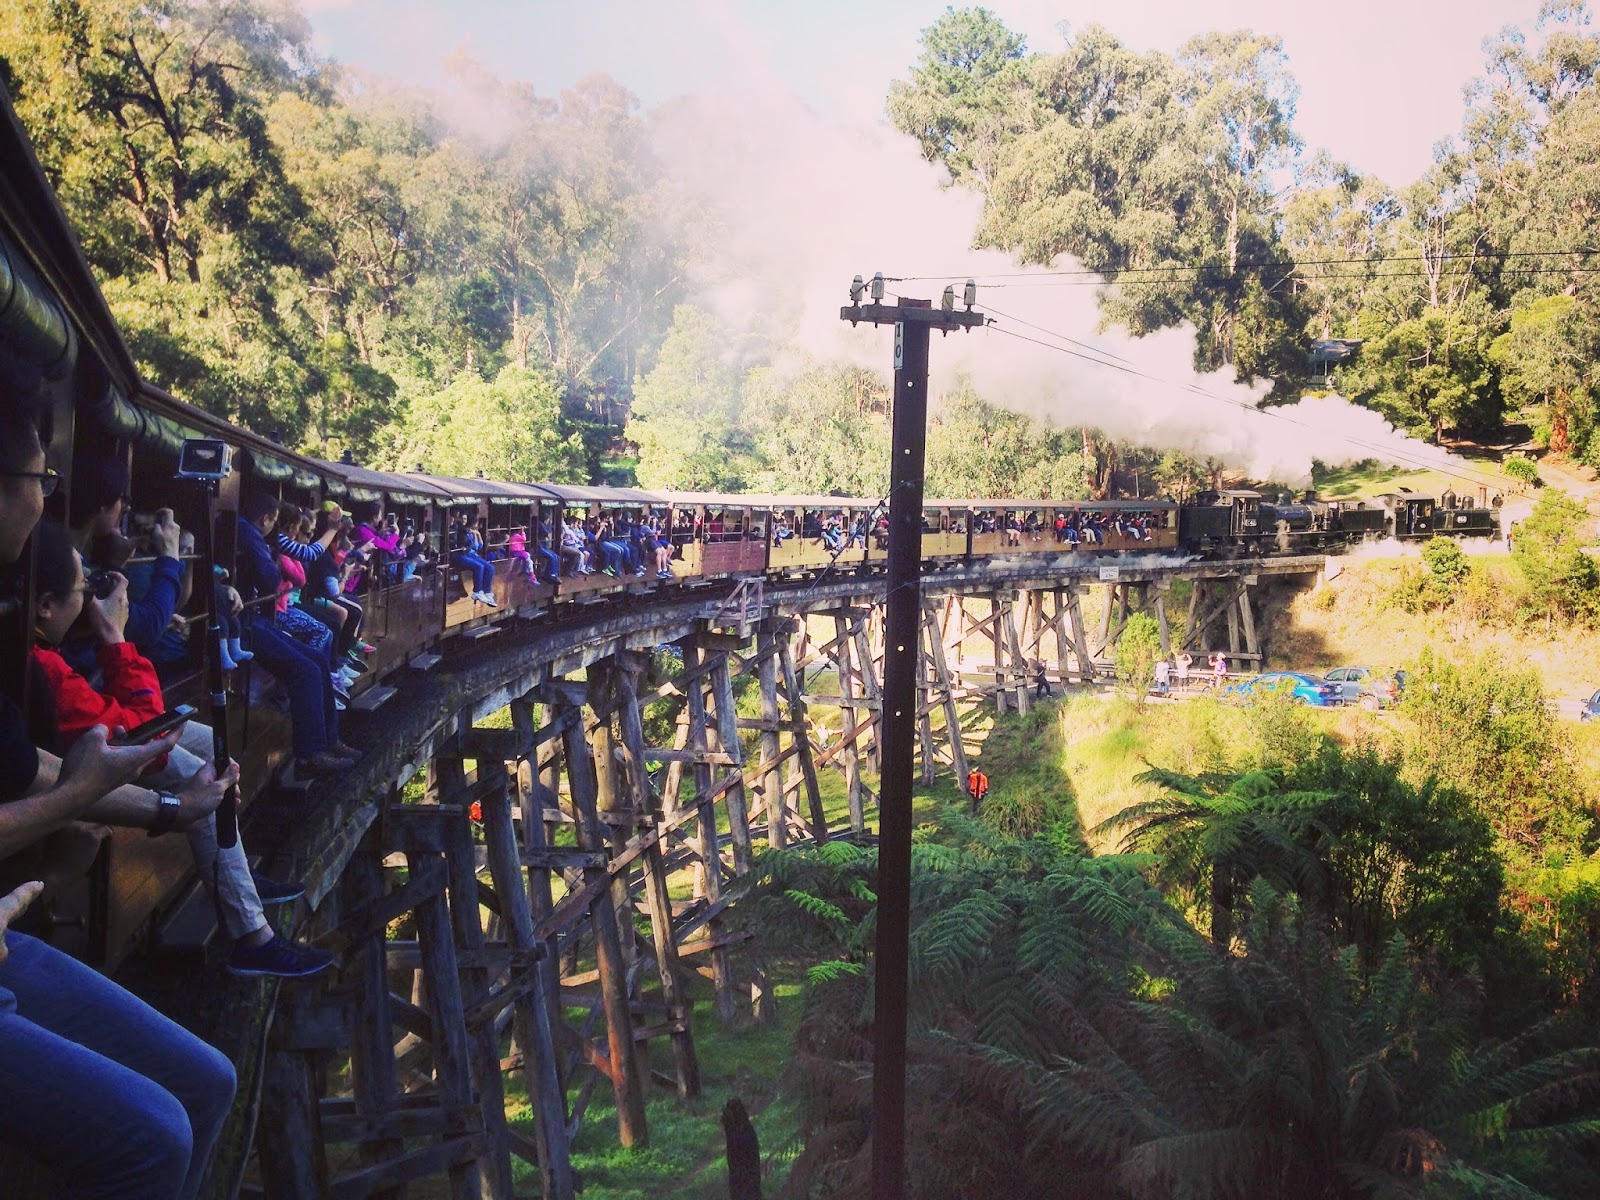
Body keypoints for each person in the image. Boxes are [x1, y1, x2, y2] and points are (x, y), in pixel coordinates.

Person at [0, 391, 238, 1198]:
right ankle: (250, 919)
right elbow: (103, 756)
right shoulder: (45, 664)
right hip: (19, 934)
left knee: (208, 1081)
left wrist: (173, 811)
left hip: (10, 940)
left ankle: (250, 910)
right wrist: (138, 606)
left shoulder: (23, 657)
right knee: (155, 1133)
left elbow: (48, 779)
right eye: (41, 475)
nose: (46, 493)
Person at [28, 518, 331, 978]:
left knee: (215, 747)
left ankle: (236, 877)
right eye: (82, 588)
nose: (90, 595)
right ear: (46, 606)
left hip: (111, 721)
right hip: (112, 740)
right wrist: (115, 636)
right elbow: (145, 734)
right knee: (205, 786)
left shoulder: (45, 648)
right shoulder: (44, 667)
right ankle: (252, 937)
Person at [236, 492, 360, 775]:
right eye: (275, 522)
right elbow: (269, 579)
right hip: (246, 622)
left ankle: (329, 740)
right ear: (266, 519)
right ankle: (310, 754)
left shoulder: (258, 535)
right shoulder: (249, 532)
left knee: (316, 660)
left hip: (256, 617)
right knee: (305, 669)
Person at [449, 511, 497, 605]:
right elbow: (456, 537)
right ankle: (477, 592)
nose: (463, 521)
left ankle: (487, 592)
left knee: (490, 568)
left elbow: (476, 546)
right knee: (479, 567)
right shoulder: (457, 528)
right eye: (462, 518)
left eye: (465, 519)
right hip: (458, 555)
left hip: (468, 553)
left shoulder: (467, 531)